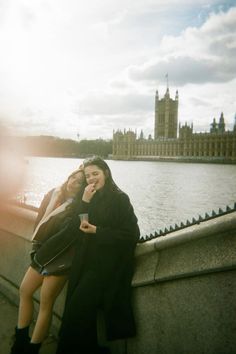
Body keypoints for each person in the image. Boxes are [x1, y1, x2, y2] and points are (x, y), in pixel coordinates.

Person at [56, 156, 140, 354]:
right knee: (79, 316)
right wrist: (84, 201)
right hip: (85, 262)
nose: (91, 178)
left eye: (96, 174)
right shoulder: (88, 196)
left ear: (106, 173)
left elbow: (132, 235)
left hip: (107, 266)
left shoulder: (120, 198)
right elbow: (76, 226)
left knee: (75, 315)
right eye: (88, 175)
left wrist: (97, 231)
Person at [10, 168, 86, 354]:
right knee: (25, 290)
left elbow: (70, 234)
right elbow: (40, 221)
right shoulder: (54, 194)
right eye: (72, 177)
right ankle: (20, 342)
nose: (73, 182)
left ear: (84, 186)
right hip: (43, 253)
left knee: (46, 302)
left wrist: (84, 203)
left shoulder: (80, 207)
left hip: (62, 257)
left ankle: (33, 349)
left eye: (79, 181)